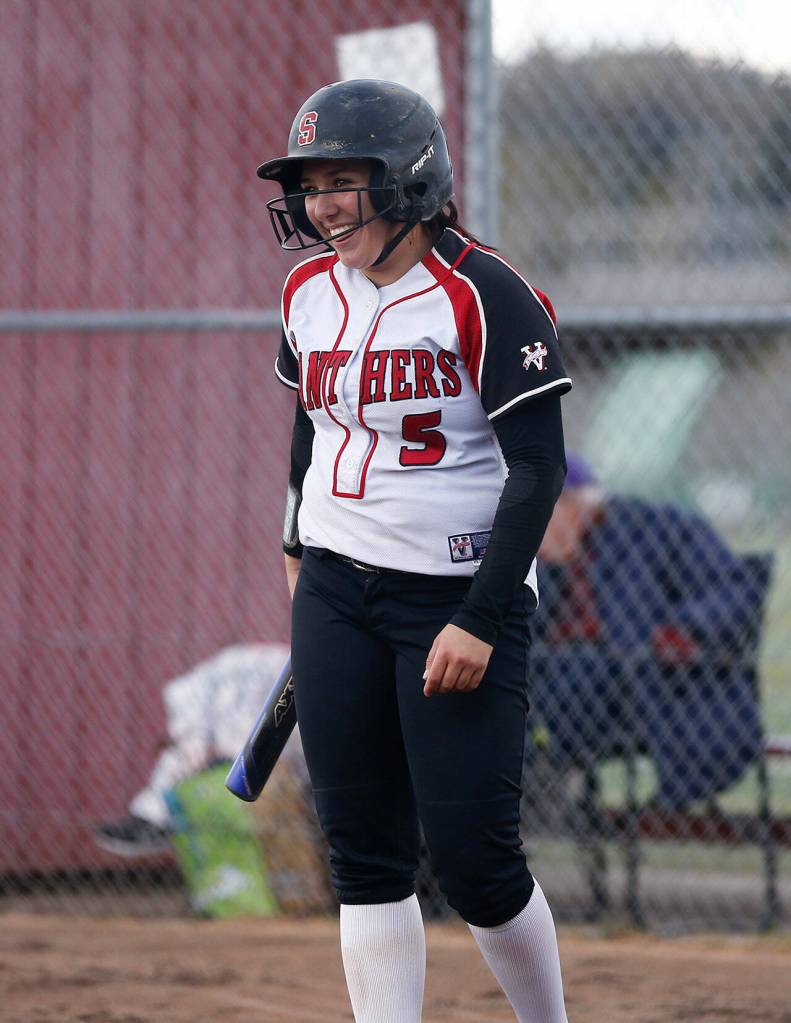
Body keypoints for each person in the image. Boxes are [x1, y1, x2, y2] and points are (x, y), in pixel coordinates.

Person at [258, 79, 572, 1023]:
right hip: (335, 587)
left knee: (476, 859)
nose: (321, 206)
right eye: (311, 186)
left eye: (344, 180)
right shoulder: (306, 291)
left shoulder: (487, 292)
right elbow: (313, 428)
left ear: (407, 179)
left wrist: (479, 614)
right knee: (362, 851)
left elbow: (538, 469)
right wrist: (293, 541)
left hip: (454, 594)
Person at [528, 454, 765, 810]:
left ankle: (547, 788)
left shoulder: (656, 527)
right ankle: (534, 791)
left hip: (645, 688)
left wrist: (685, 629)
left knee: (583, 669)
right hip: (561, 694)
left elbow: (735, 589)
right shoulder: (534, 564)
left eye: (540, 512)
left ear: (576, 505)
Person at [94, 642, 293, 856]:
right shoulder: (229, 671)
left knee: (190, 751)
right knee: (185, 751)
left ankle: (155, 819)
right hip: (241, 736)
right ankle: (153, 821)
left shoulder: (271, 663)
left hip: (273, 740)